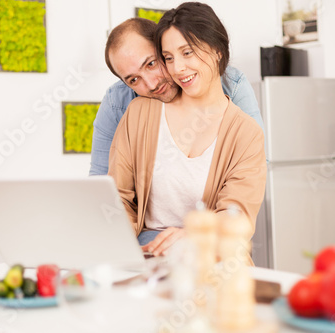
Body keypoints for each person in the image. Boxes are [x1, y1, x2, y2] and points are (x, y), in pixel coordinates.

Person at [107, 2, 267, 258]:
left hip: (210, 261)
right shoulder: (139, 114)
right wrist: (117, 248)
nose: (178, 68)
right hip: (149, 259)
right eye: (168, 58)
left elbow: (238, 217)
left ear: (216, 49)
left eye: (187, 52)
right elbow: (119, 197)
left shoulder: (246, 133)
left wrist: (193, 235)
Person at [89, 17, 265, 176]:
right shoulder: (118, 103)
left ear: (165, 49)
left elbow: (256, 165)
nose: (151, 84)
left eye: (151, 64)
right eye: (134, 79)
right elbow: (101, 180)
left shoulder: (230, 84)